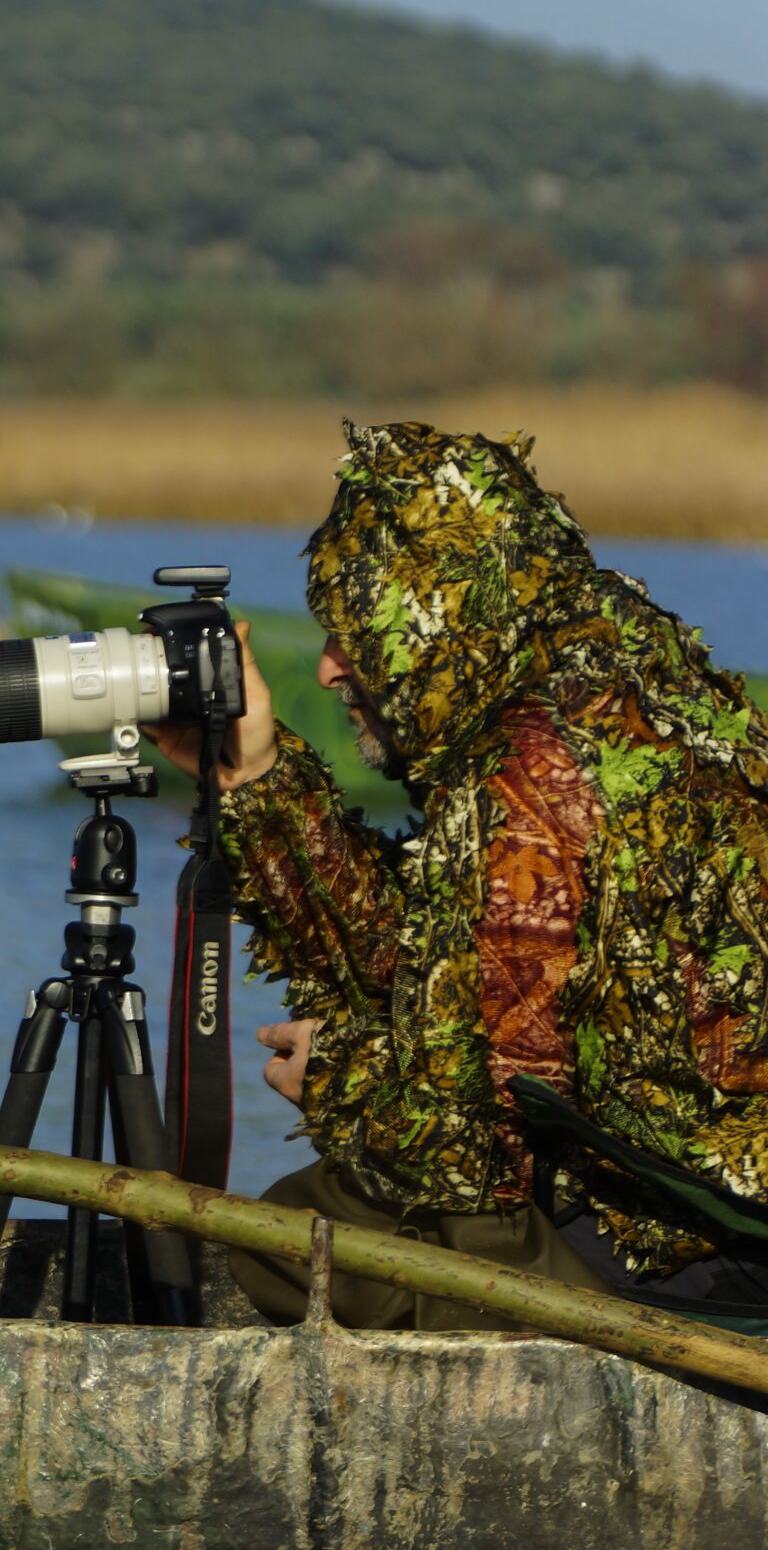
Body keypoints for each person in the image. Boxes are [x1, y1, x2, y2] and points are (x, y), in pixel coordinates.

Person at [148, 420, 768, 1330]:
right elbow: (443, 972)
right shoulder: (625, 683)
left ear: (427, 627)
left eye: (352, 635)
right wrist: (253, 777)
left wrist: (337, 1077)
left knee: (281, 1237)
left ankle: (562, 1361)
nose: (326, 668)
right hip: (695, 1199)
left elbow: (469, 1138)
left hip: (693, 1236)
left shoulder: (528, 776)